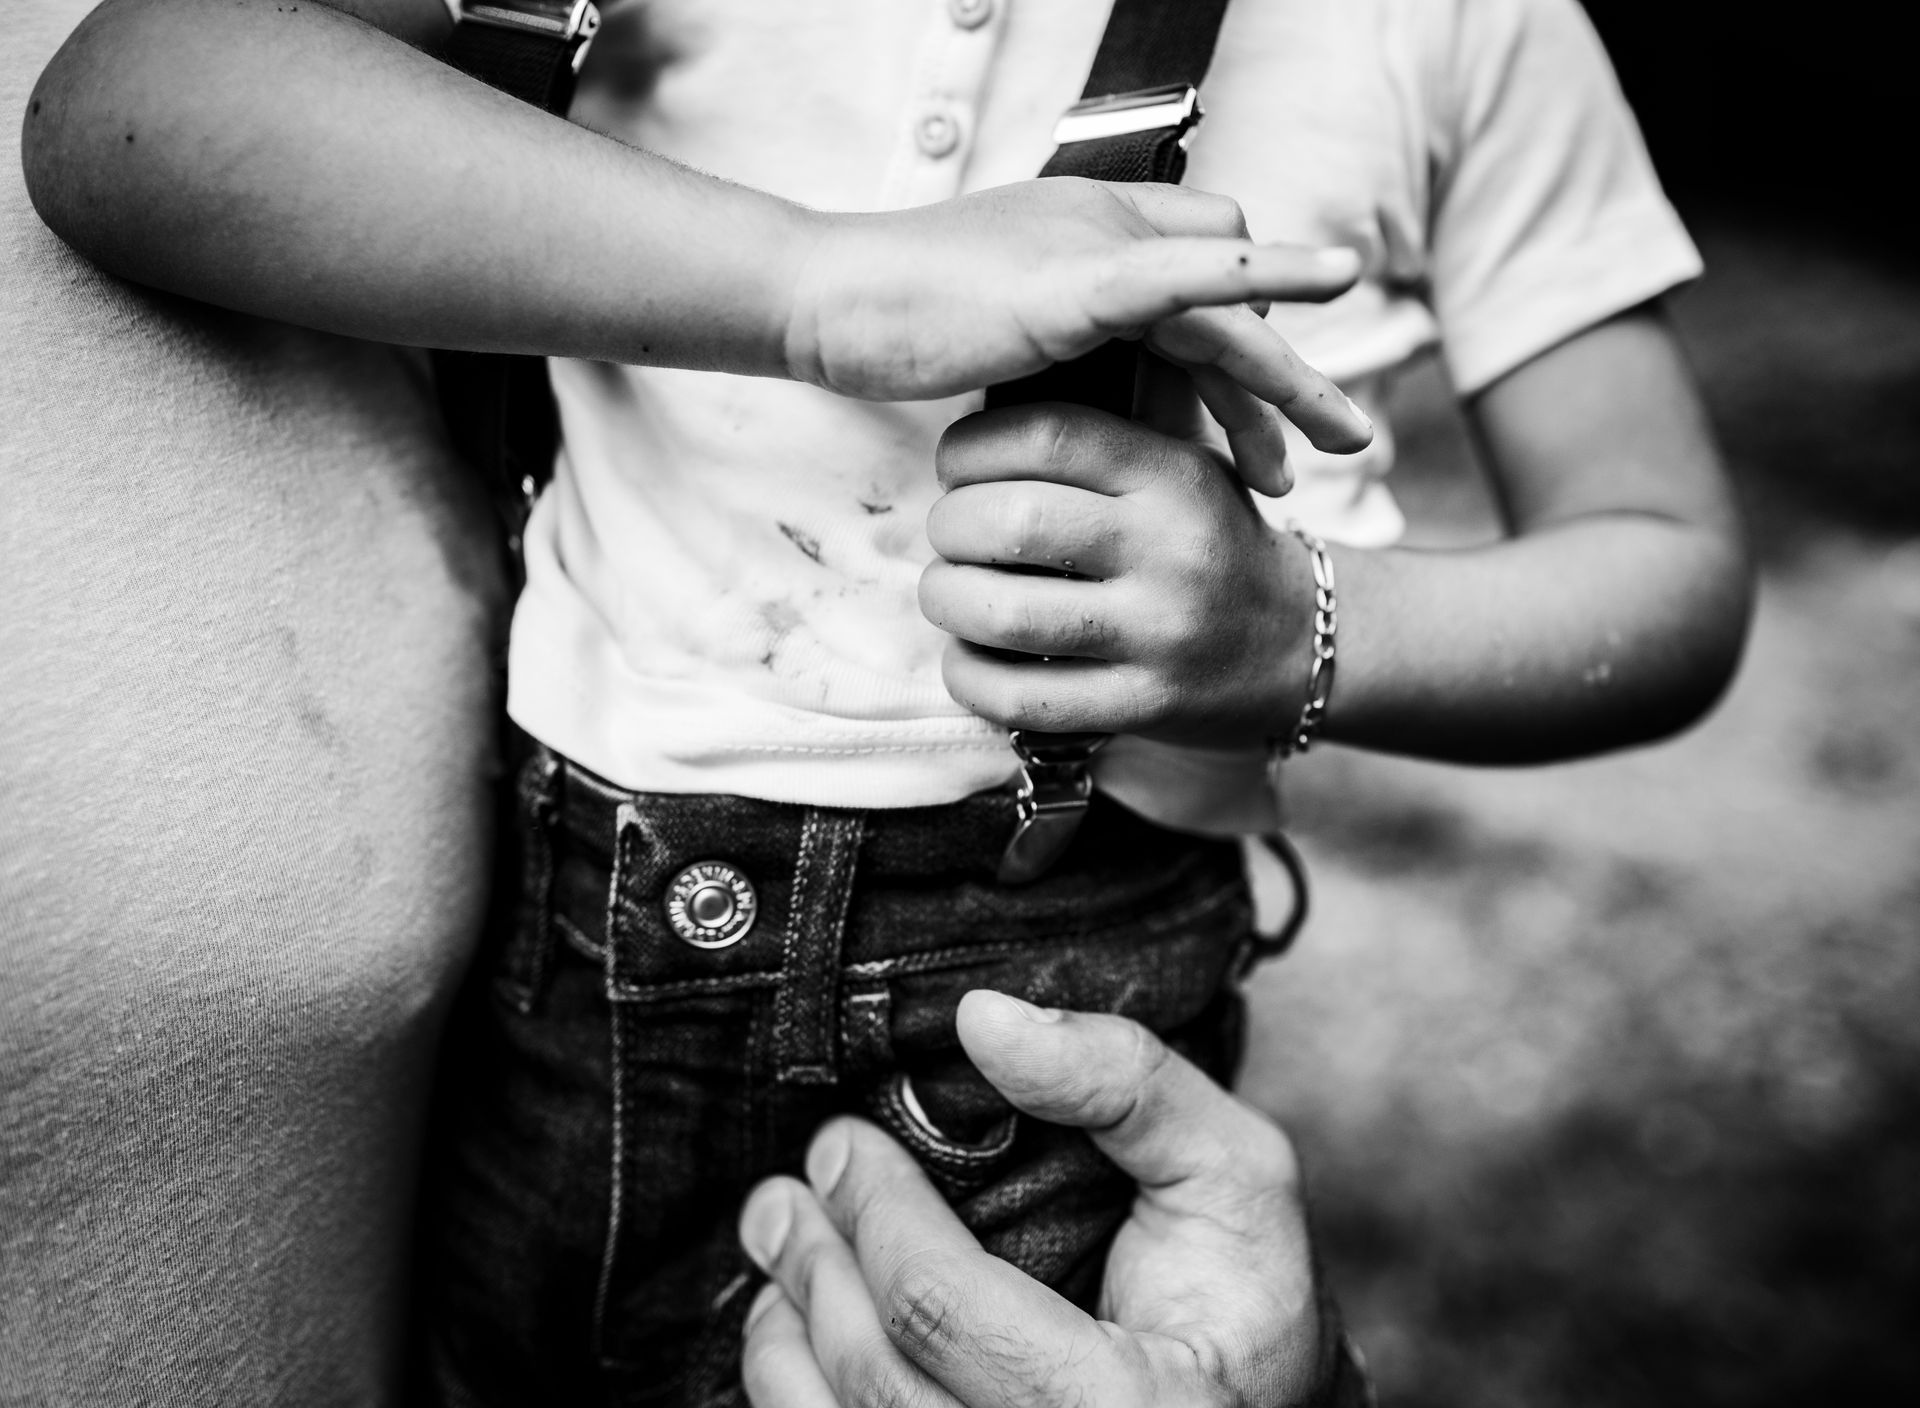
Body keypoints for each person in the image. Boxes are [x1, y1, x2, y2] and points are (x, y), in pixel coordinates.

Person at [23, 0, 1753, 1405]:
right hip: (563, 973)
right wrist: (818, 290)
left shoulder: (1458, 24)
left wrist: (1288, 631)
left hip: (1049, 1019)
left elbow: (1667, 567)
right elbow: (132, 107)